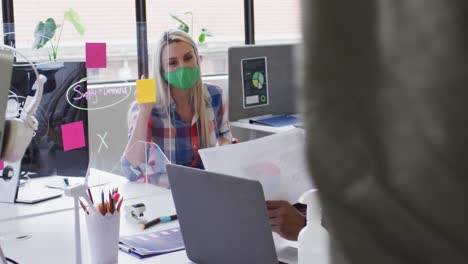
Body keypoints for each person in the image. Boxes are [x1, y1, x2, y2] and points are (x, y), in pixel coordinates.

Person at [121, 30, 232, 184]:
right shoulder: (147, 106)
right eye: (172, 63)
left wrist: (228, 149)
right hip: (163, 193)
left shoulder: (215, 95)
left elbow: (225, 139)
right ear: (161, 69)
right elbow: (131, 169)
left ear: (197, 58)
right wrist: (144, 111)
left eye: (188, 58)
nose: (183, 67)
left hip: (205, 189)